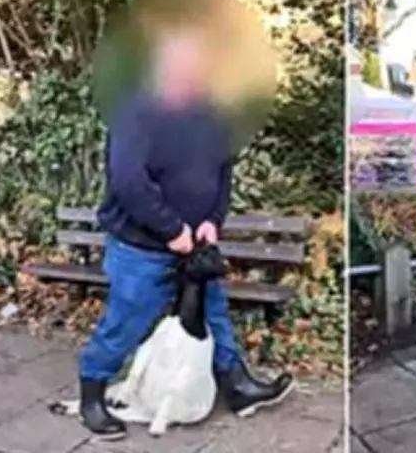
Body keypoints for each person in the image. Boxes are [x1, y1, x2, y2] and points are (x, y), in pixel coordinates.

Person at [77, 28, 294, 440]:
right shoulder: (136, 114)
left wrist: (214, 218)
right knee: (126, 321)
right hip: (141, 246)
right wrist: (171, 229)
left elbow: (223, 171)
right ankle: (92, 395)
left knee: (213, 314)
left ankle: (237, 385)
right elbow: (129, 182)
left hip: (197, 243)